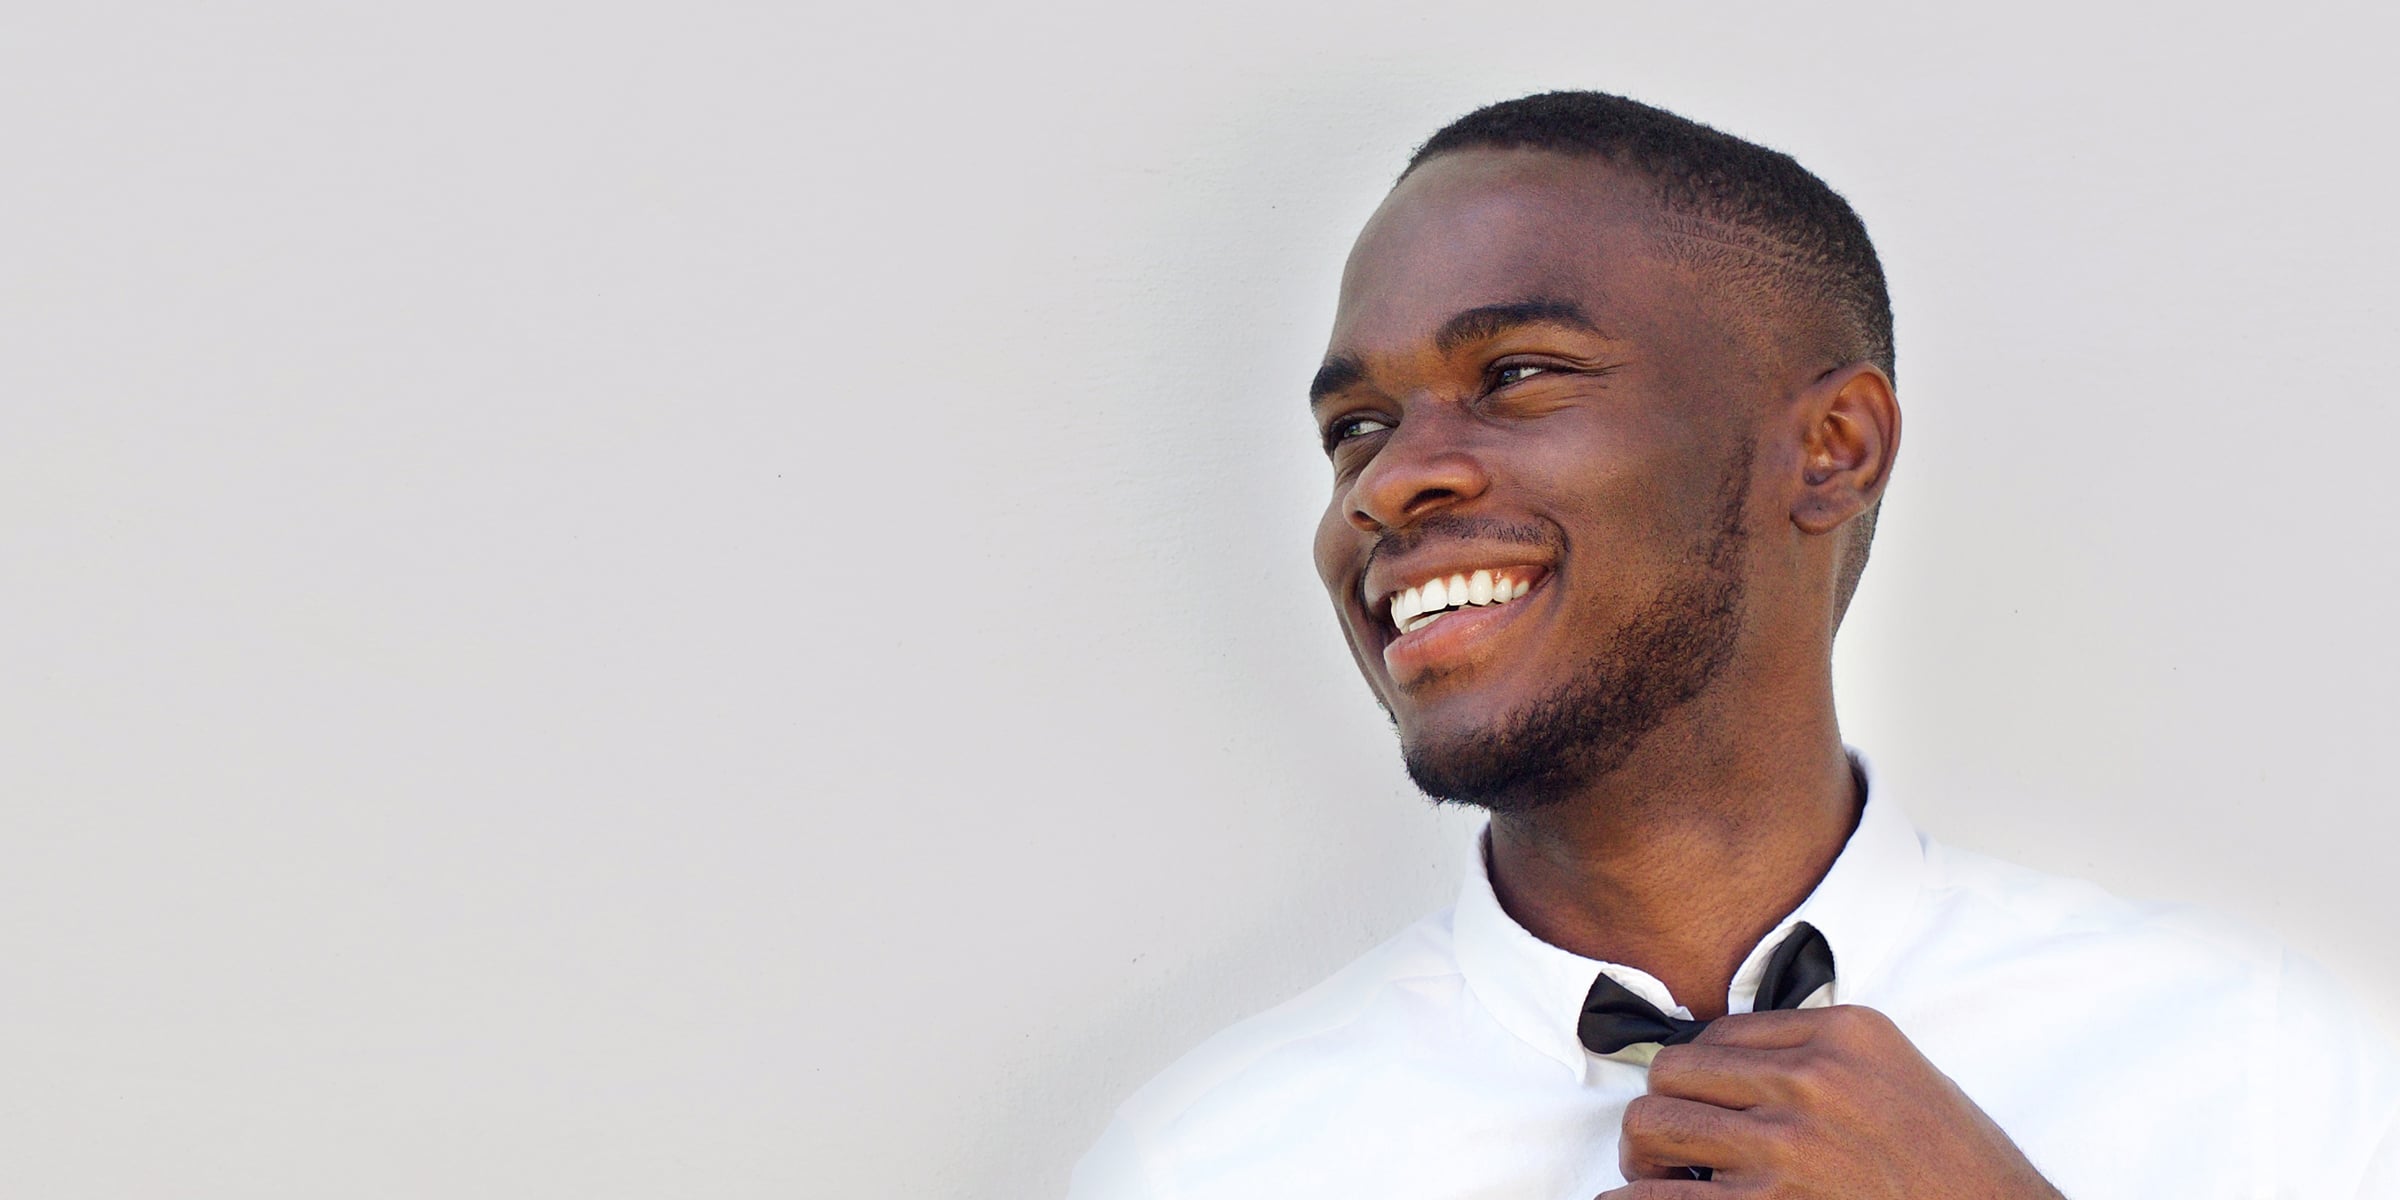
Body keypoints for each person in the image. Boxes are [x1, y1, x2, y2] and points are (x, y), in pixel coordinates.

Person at [1067, 91, 2400, 1199]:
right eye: (1354, 428)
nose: (1386, 485)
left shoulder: (2256, 1076)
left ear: (1831, 451)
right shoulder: (1211, 1166)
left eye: (1518, 375)